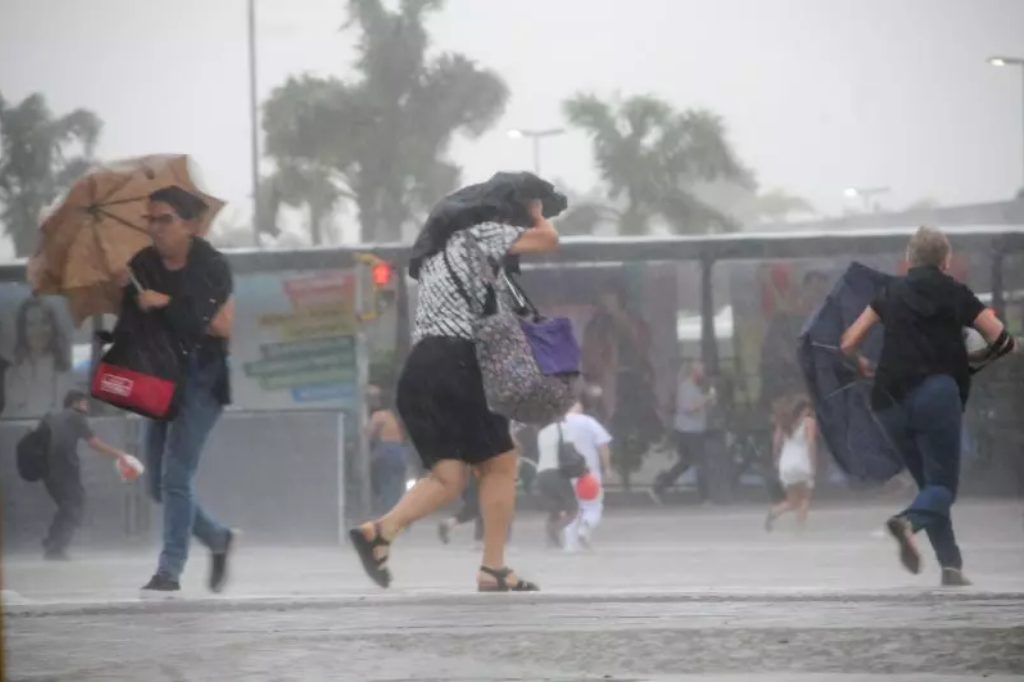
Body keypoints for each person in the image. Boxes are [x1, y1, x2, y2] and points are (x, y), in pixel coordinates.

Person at [349, 199, 559, 592]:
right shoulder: (478, 233)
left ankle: (378, 532)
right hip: (458, 362)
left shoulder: (433, 260)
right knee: (501, 464)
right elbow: (548, 239)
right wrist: (532, 209)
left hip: (420, 371)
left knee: (449, 477)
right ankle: (493, 568)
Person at [840, 226, 1017, 586]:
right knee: (943, 487)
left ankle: (950, 566)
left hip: (888, 398)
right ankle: (908, 523)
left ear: (909, 259)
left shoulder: (889, 292)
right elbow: (1001, 338)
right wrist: (976, 360)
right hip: (936, 393)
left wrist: (862, 365)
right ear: (945, 260)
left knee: (929, 485)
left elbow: (848, 343)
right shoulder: (956, 293)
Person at [120, 186, 237, 595]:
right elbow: (134, 328)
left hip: (203, 379)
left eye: (165, 219)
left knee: (175, 476)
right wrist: (132, 301)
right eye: (150, 220)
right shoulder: (141, 266)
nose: (156, 228)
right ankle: (218, 536)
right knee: (158, 485)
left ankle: (169, 570)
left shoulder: (211, 265)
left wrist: (164, 303)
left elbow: (222, 326)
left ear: (190, 224)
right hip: (159, 379)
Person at [40, 390, 135, 560]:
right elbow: (93, 443)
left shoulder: (52, 417)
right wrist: (118, 453)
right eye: (84, 403)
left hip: (47, 471)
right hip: (65, 469)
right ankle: (55, 548)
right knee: (75, 505)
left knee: (66, 506)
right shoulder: (76, 417)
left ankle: (52, 541)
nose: (86, 407)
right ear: (75, 403)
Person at [536, 402, 613, 551]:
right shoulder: (588, 422)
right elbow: (603, 444)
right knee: (593, 505)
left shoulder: (551, 428)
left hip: (565, 473)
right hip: (588, 472)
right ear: (578, 407)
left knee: (572, 506)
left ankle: (570, 545)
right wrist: (607, 467)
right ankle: (585, 527)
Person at [653, 360, 715, 503]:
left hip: (694, 431)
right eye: (701, 370)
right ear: (693, 372)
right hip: (689, 432)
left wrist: (707, 401)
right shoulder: (686, 387)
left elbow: (698, 406)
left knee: (686, 462)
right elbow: (689, 408)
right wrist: (707, 398)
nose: (703, 373)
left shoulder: (694, 388)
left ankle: (660, 485)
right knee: (701, 463)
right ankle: (705, 497)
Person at [3, 297, 73, 418]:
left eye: (44, 322)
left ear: (52, 327)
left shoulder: (65, 373)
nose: (38, 330)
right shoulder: (10, 374)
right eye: (31, 324)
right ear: (23, 330)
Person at [764, 394, 817, 532]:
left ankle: (774, 513)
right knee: (805, 498)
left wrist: (775, 459)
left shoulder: (785, 422)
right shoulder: (809, 422)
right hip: (801, 462)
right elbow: (810, 443)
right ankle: (801, 528)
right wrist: (813, 463)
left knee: (792, 500)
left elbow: (776, 443)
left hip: (786, 463)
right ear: (804, 409)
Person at [366, 385, 409, 516]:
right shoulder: (394, 416)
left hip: (385, 451)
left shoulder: (379, 415)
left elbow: (368, 433)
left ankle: (389, 515)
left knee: (383, 484)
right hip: (400, 452)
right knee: (396, 486)